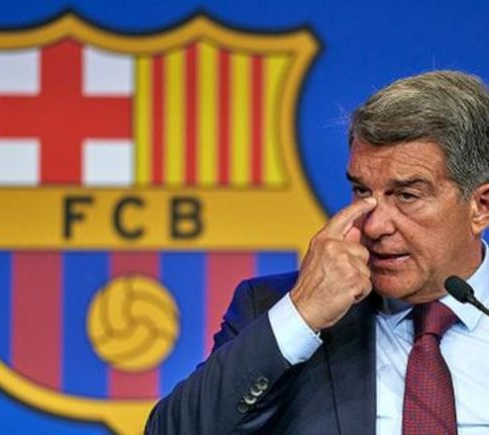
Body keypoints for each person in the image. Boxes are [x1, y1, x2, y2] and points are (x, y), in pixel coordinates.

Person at [145, 70, 489, 434]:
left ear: (480, 207)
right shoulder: (276, 307)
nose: (374, 226)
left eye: (406, 196)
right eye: (362, 191)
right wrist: (302, 313)